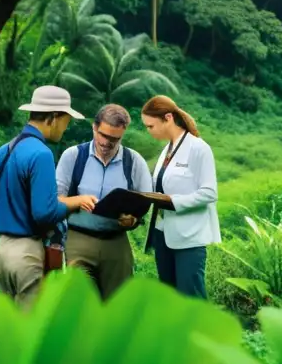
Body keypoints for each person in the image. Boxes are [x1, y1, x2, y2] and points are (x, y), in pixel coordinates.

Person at [0, 86, 97, 308]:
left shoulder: (3, 150)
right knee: (31, 333)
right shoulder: (41, 153)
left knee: (9, 328)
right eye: (66, 122)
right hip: (26, 254)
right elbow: (44, 214)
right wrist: (75, 202)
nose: (65, 129)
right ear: (53, 118)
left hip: (2, 253)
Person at [55, 104, 153, 300]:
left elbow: (144, 202)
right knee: (80, 300)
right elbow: (56, 199)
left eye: (115, 139)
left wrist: (132, 220)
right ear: (94, 127)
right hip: (78, 239)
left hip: (116, 241)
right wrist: (79, 200)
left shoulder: (134, 162)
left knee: (117, 303)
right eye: (104, 135)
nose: (107, 143)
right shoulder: (74, 156)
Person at [141, 95, 219, 299]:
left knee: (191, 298)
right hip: (162, 234)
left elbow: (210, 192)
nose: (148, 131)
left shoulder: (199, 148)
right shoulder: (166, 150)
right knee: (170, 299)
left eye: (151, 126)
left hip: (189, 237)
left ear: (168, 118)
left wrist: (173, 202)